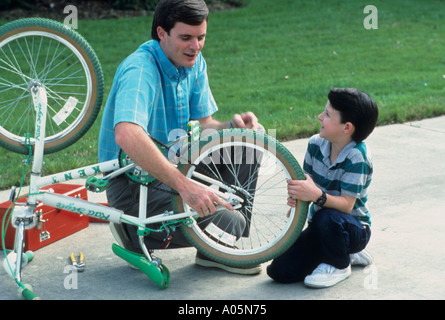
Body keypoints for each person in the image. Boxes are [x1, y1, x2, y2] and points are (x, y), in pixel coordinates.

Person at [98, 0, 263, 275]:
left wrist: (233, 127)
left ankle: (215, 249)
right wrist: (186, 186)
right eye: (186, 38)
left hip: (175, 166)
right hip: (132, 184)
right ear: (162, 33)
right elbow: (127, 133)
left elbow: (205, 124)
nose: (195, 46)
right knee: (223, 215)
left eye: (201, 38)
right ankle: (137, 233)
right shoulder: (140, 70)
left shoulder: (193, 62)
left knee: (245, 145)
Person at [267, 88, 378, 288]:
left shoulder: (357, 156)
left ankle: (339, 263)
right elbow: (307, 185)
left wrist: (316, 195)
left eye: (327, 114)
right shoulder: (315, 145)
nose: (320, 116)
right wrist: (298, 196)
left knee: (327, 216)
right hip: (320, 227)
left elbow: (346, 205)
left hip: (353, 228)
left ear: (347, 128)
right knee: (279, 271)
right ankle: (340, 251)